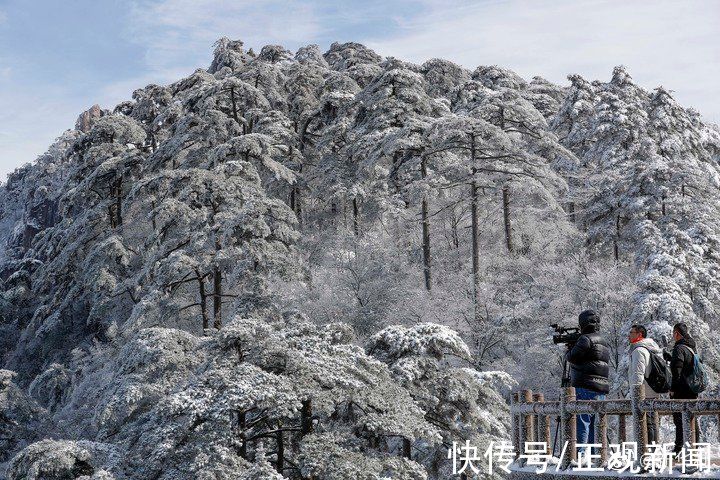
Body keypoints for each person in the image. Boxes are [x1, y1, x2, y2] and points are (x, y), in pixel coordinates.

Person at [566, 310, 610, 448]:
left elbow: (572, 357)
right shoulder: (603, 340)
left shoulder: (585, 339)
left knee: (582, 422)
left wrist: (569, 349)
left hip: (584, 386)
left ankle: (581, 456)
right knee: (594, 424)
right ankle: (594, 457)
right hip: (600, 388)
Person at [663, 322, 699, 454]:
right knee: (690, 418)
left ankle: (678, 449)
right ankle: (694, 447)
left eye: (673, 333)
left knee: (679, 419)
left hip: (681, 390)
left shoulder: (679, 348)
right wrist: (671, 358)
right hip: (692, 389)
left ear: (677, 333)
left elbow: (677, 371)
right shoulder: (691, 347)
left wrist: (672, 389)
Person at [628, 324, 663, 445]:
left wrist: (635, 393)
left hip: (644, 392)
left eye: (631, 333)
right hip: (652, 390)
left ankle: (647, 452)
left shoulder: (639, 350)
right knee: (652, 422)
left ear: (639, 334)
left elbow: (638, 374)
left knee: (647, 423)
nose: (629, 335)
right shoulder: (650, 348)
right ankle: (653, 450)